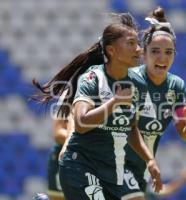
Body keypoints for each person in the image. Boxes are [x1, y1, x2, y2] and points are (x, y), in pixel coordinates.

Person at [33, 12, 162, 200]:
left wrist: (149, 159)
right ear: (111, 50)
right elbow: (82, 124)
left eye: (139, 43)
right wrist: (115, 102)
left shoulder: (139, 84)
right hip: (81, 164)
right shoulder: (93, 79)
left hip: (112, 168)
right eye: (131, 43)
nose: (139, 49)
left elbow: (131, 127)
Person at [121, 7, 186, 200]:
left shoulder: (176, 86)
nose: (162, 57)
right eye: (155, 51)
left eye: (169, 52)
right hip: (115, 159)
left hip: (142, 167)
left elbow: (185, 134)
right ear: (144, 53)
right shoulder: (129, 79)